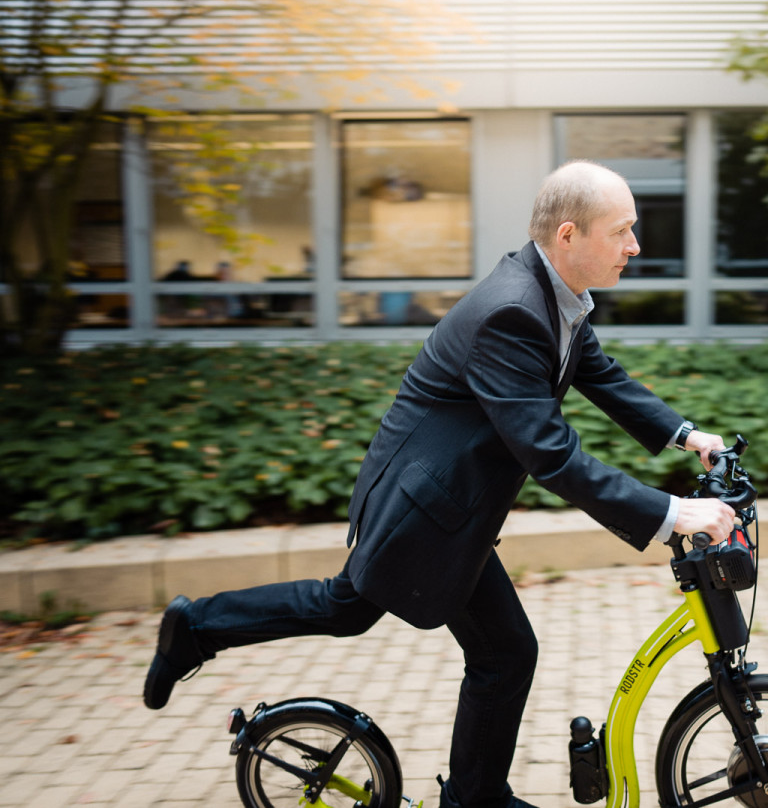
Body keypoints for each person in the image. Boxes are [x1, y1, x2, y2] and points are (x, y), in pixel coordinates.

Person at [142, 159, 737, 808]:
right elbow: (551, 454)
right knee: (405, 625)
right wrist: (674, 512)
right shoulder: (511, 313)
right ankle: (198, 629)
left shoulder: (552, 297)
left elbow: (601, 374)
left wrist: (688, 436)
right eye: (622, 231)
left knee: (483, 647)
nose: (635, 246)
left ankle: (471, 794)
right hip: (425, 512)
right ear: (570, 235)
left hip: (450, 504)